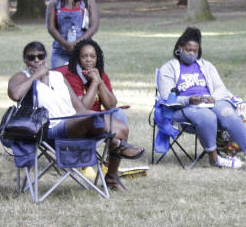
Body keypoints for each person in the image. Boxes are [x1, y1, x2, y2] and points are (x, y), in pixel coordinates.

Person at [8, 42, 144, 192]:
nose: (36, 60)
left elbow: (79, 108)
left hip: (73, 122)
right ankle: (116, 144)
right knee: (93, 121)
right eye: (31, 57)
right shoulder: (21, 76)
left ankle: (112, 173)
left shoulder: (58, 77)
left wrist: (99, 113)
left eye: (40, 56)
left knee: (121, 127)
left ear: (45, 58)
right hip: (49, 129)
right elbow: (15, 94)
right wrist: (35, 76)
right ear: (25, 60)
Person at [156, 27, 246, 172]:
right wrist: (189, 100)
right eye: (188, 50)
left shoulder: (206, 66)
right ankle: (214, 158)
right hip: (183, 108)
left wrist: (213, 98)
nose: (192, 54)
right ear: (179, 48)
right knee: (207, 117)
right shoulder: (168, 69)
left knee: (227, 113)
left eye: (195, 51)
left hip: (210, 102)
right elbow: (168, 97)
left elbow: (221, 89)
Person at [56, 38, 142, 147]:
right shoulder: (72, 76)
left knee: (119, 114)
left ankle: (113, 157)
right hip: (79, 122)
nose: (88, 60)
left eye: (92, 56)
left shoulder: (100, 74)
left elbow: (111, 105)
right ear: (78, 58)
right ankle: (118, 147)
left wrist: (99, 81)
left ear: (97, 58)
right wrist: (94, 82)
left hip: (99, 119)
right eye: (84, 56)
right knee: (101, 119)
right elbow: (83, 108)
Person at [46, 0, 99, 69]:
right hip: (60, 51)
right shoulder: (55, 1)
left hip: (83, 51)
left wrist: (77, 43)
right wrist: (65, 44)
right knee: (57, 80)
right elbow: (51, 27)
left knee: (84, 81)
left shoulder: (88, 1)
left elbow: (93, 27)